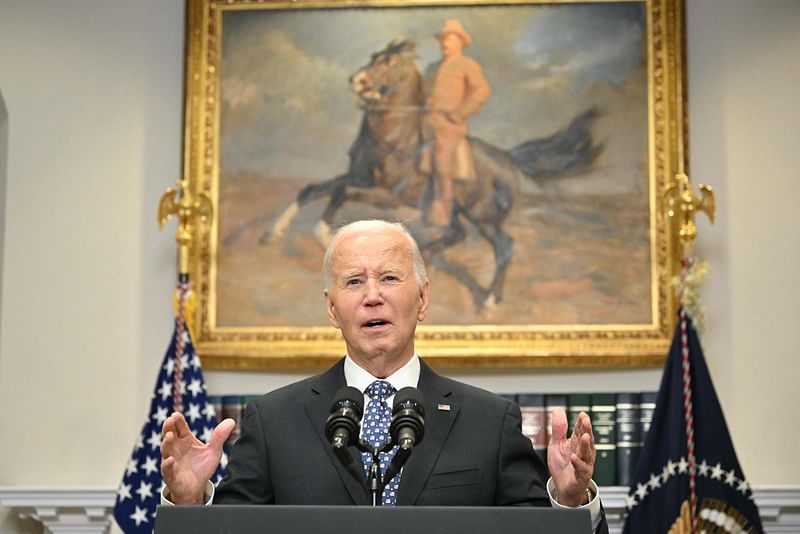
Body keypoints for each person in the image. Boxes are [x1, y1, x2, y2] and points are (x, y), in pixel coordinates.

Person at [161, 219, 607, 532]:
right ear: (332, 309)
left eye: (390, 278)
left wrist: (567, 503)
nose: (372, 296)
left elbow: (533, 531)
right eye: (354, 282)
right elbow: (232, 532)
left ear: (423, 299)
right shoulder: (273, 420)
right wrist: (189, 502)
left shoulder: (489, 421)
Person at [423, 20, 491, 227]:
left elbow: (481, 91)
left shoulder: (467, 65)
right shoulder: (432, 68)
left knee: (442, 157)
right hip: (427, 121)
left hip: (450, 125)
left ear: (461, 42)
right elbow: (424, 93)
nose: (445, 42)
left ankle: (444, 210)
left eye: (450, 38)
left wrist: (461, 112)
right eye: (443, 38)